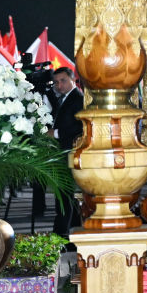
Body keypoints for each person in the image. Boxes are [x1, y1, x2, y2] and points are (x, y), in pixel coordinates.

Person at [51, 67, 83, 237]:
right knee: (65, 194)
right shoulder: (65, 98)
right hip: (63, 151)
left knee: (64, 194)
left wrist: (56, 133)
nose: (59, 85)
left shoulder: (78, 98)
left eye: (63, 81)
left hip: (69, 151)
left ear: (73, 80)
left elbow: (80, 127)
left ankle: (61, 233)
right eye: (56, 82)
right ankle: (72, 230)